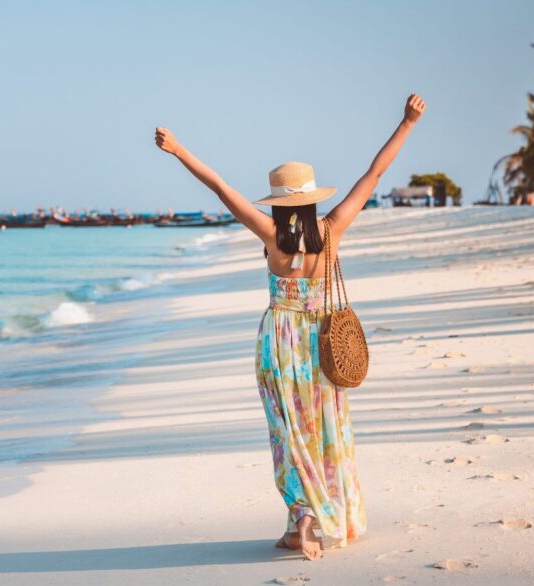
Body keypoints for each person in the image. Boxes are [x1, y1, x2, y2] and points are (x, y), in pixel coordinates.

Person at [155, 94, 426, 560]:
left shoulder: (270, 234)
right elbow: (374, 175)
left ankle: (300, 517)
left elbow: (220, 188)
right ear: (313, 199)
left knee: (287, 431)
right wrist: (407, 123)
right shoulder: (332, 230)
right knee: (324, 427)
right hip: (321, 341)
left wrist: (179, 150)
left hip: (278, 344)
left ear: (278, 203)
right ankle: (320, 516)